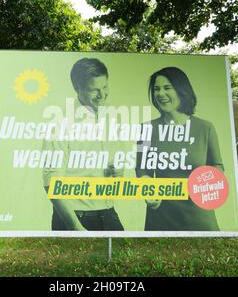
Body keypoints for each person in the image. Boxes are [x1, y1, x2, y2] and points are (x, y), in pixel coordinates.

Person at [136, 67, 223, 231]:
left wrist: (202, 185)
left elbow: (217, 167)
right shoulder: (145, 129)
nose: (160, 94)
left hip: (199, 219)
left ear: (182, 90)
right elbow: (142, 170)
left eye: (167, 88)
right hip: (160, 218)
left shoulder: (205, 128)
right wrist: (148, 190)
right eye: (156, 89)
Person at [42, 58, 125, 231]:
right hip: (75, 218)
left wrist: (118, 171)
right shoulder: (60, 122)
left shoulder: (112, 116)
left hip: (108, 212)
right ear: (77, 89)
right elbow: (51, 183)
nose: (102, 94)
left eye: (105, 87)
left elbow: (117, 169)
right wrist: (77, 229)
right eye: (94, 90)